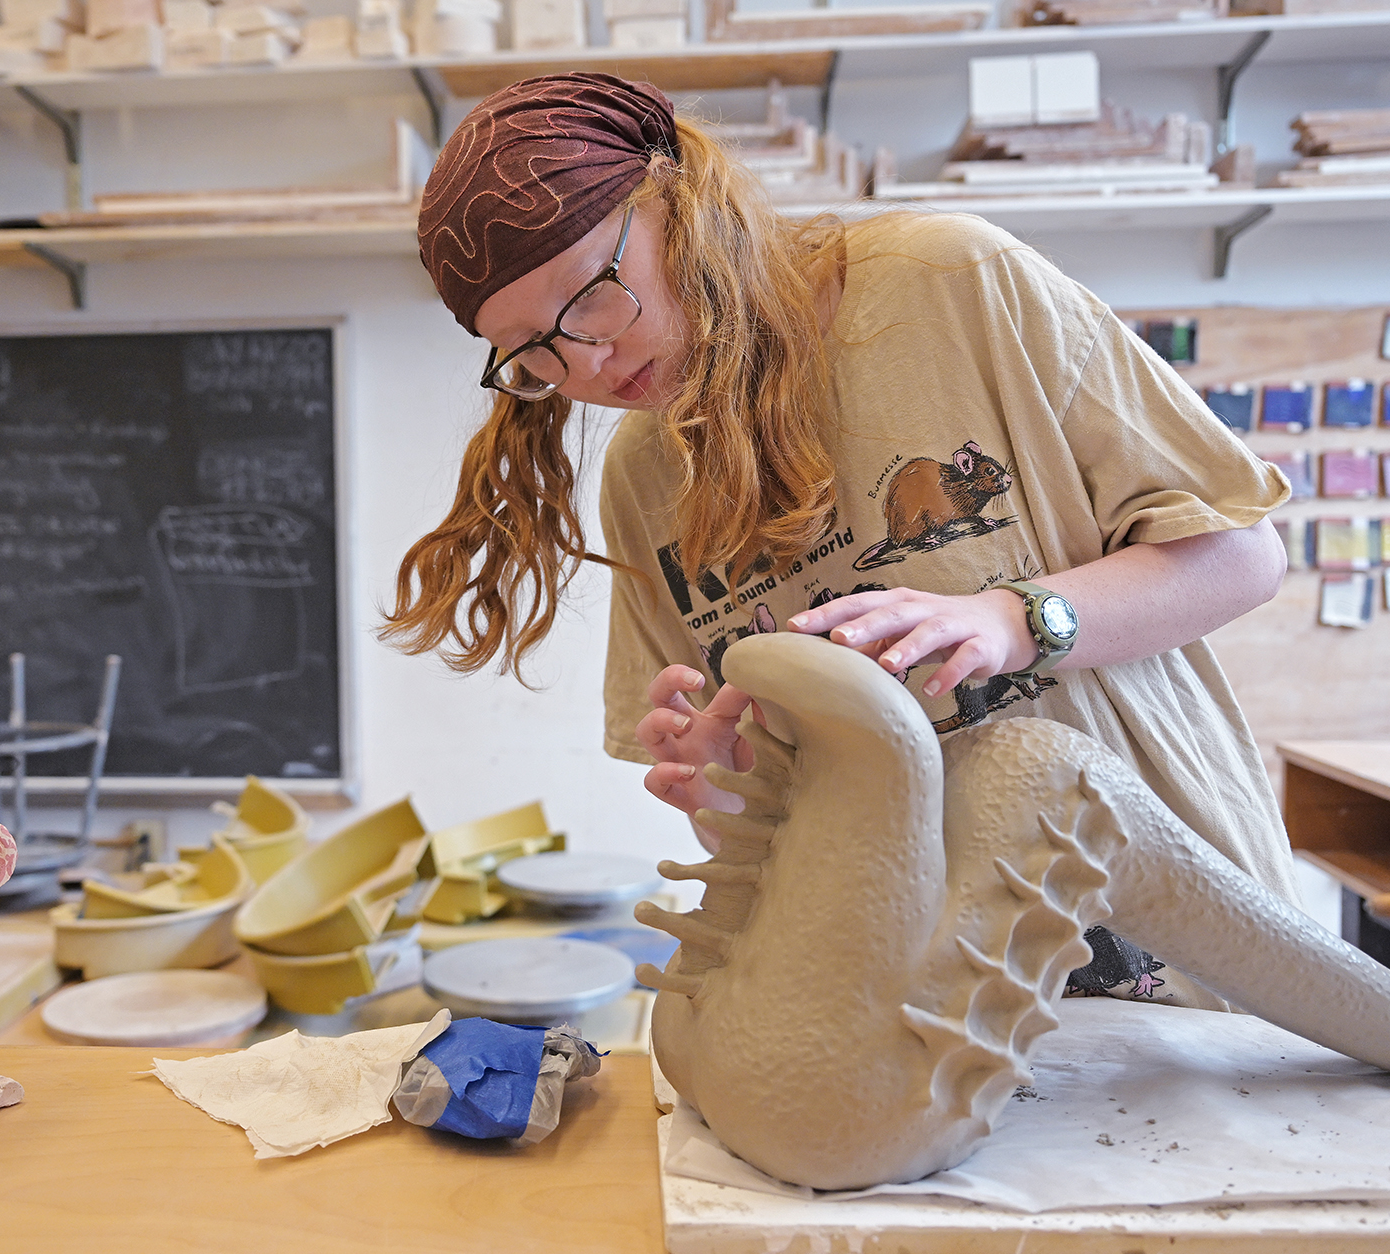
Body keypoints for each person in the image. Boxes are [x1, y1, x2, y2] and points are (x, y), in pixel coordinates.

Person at [385, 74, 1295, 1007]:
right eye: (533, 349)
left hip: (1186, 947)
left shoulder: (950, 283)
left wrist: (1014, 620)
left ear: (675, 203)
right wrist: (722, 787)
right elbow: (766, 832)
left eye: (590, 297)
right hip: (932, 1008)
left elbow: (1244, 556)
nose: (584, 360)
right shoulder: (645, 478)